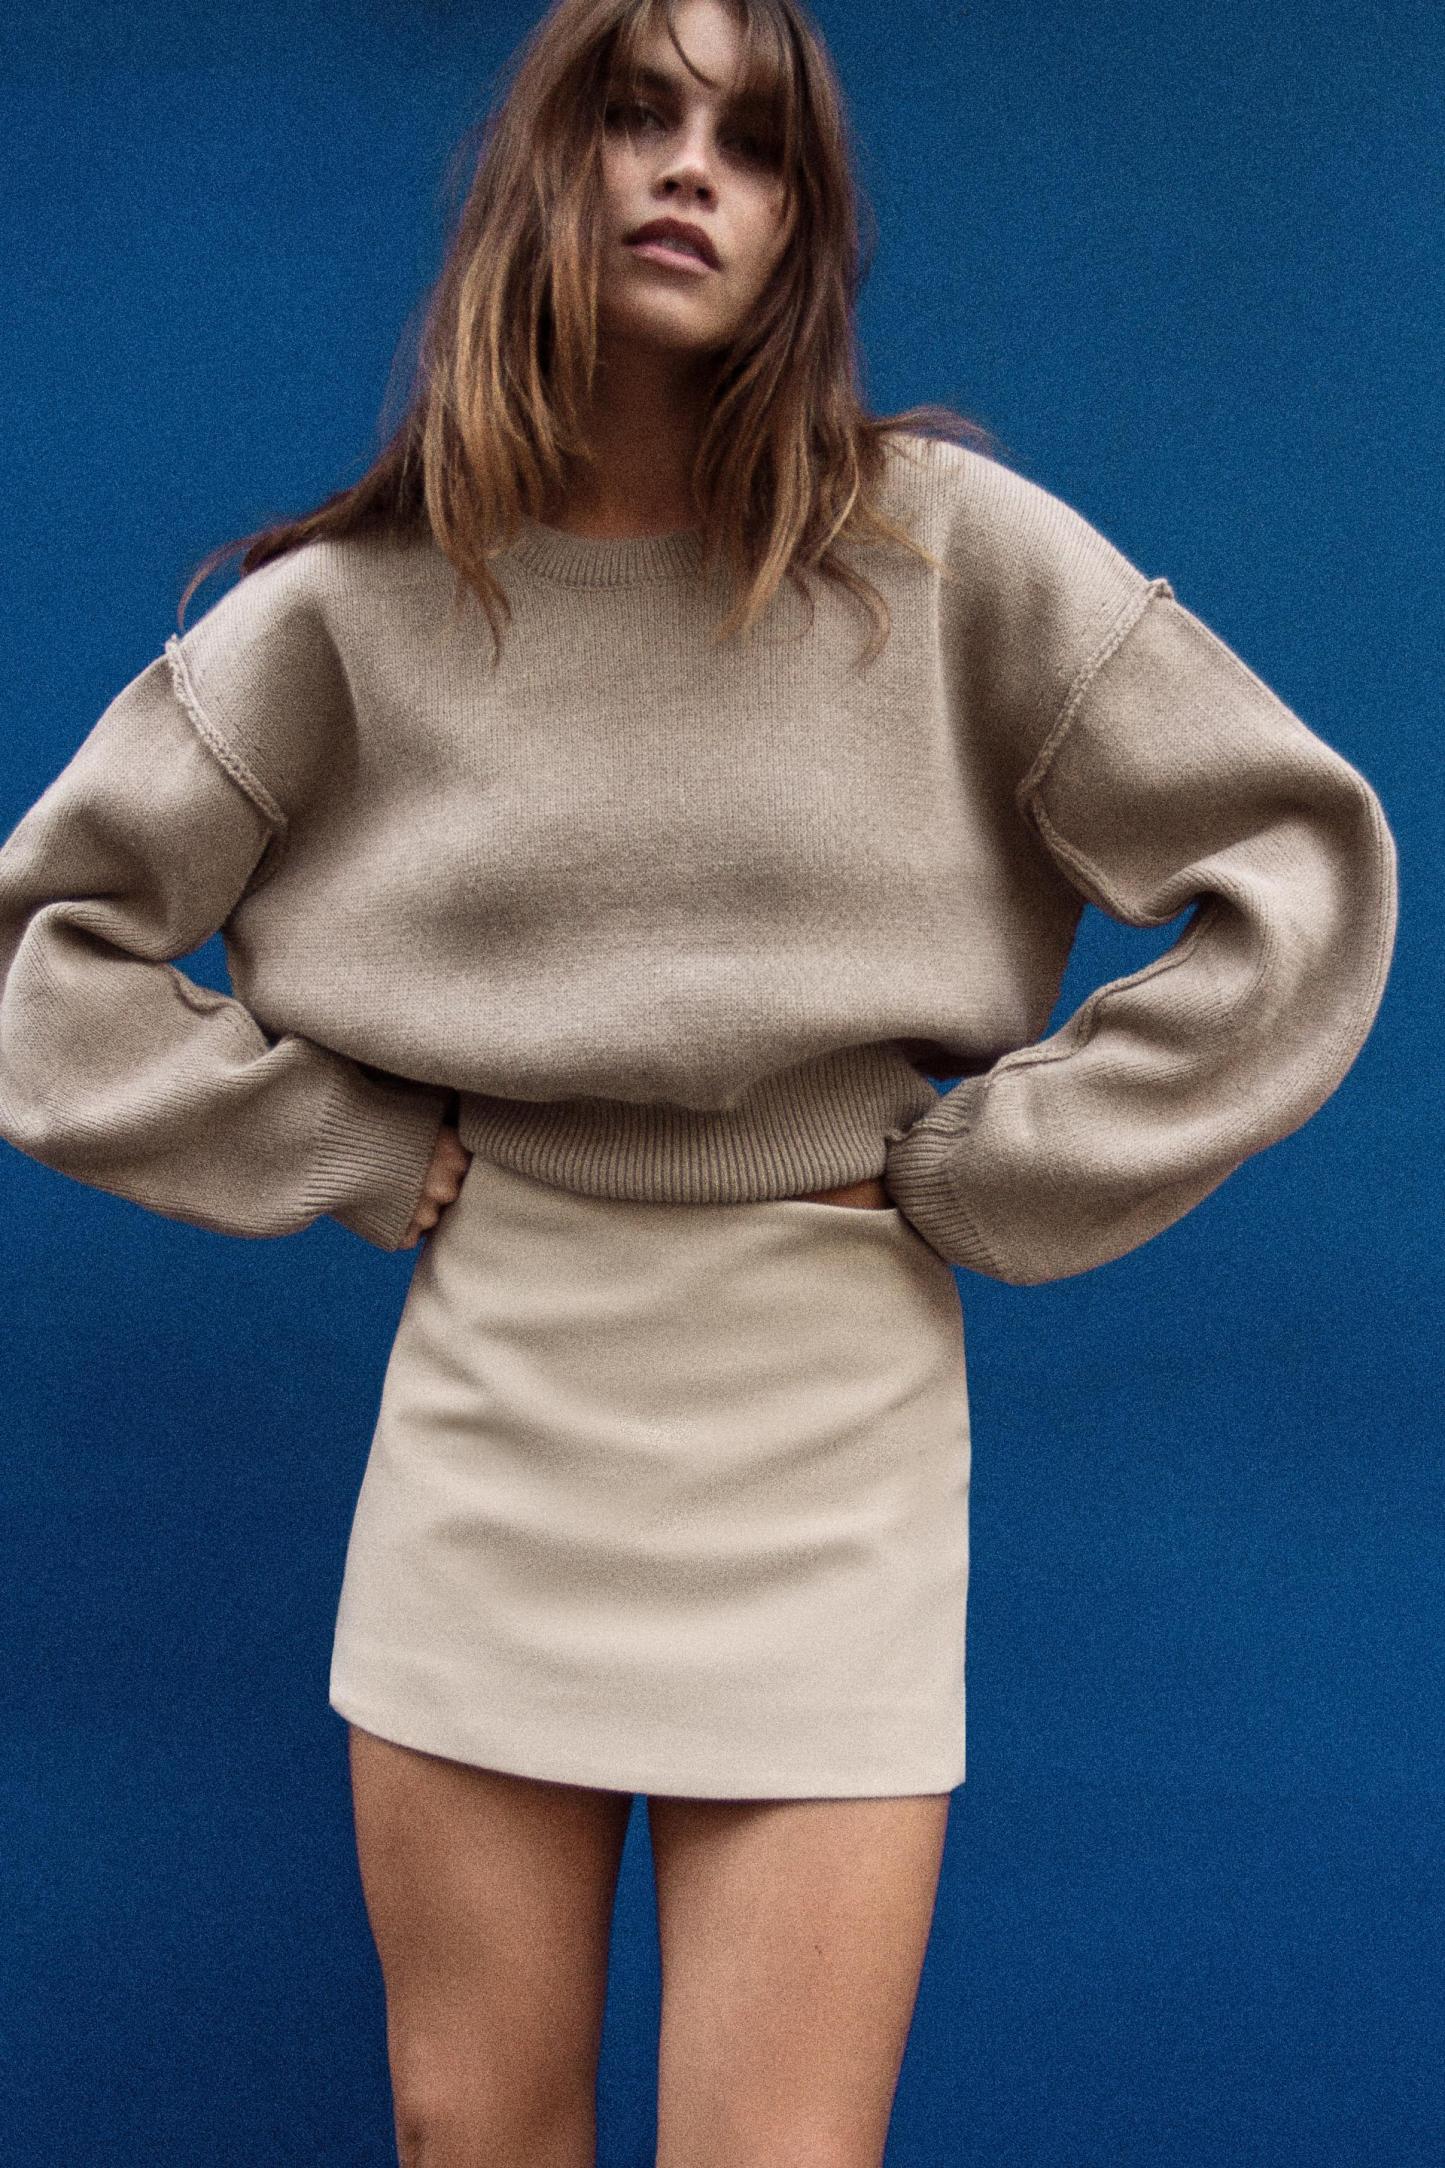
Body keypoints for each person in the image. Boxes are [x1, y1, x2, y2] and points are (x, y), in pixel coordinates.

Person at [0, 0, 1398, 2162]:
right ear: (537, 171)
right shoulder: (359, 612)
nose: (687, 172)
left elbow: (1302, 871)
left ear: (802, 228)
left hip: (829, 1417)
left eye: (751, 146)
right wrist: (330, 1142)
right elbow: (46, 952)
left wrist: (1010, 1168)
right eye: (638, 115)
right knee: (474, 2138)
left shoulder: (946, 555)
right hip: (500, 1403)